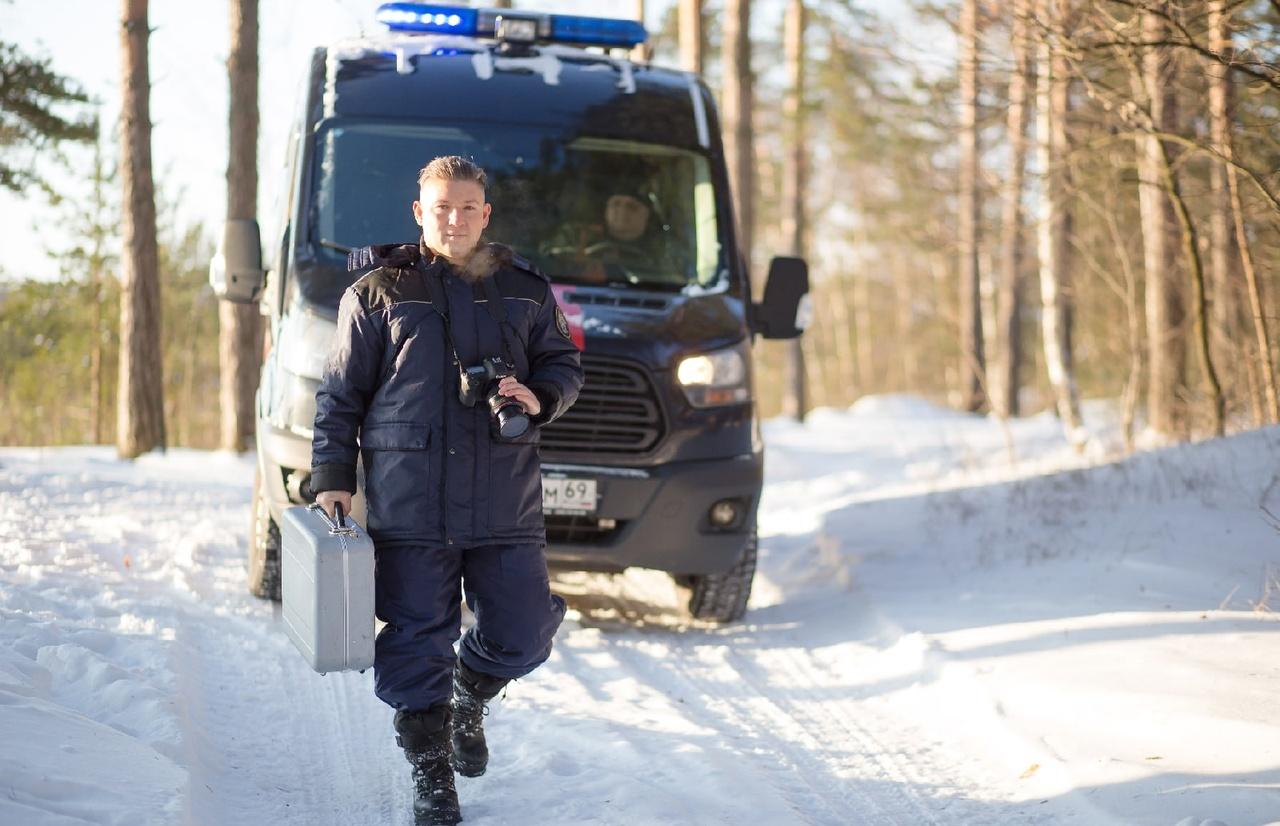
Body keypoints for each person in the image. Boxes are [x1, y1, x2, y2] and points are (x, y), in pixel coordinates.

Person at [309, 155, 583, 826]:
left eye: (467, 208)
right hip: (412, 499)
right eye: (441, 209)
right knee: (415, 639)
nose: (454, 219)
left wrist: (539, 396)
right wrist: (333, 479)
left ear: (485, 214)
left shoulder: (524, 289)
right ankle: (432, 774)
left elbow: (563, 365)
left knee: (523, 631)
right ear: (418, 212)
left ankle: (473, 692)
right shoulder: (376, 292)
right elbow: (341, 396)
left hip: (504, 497)